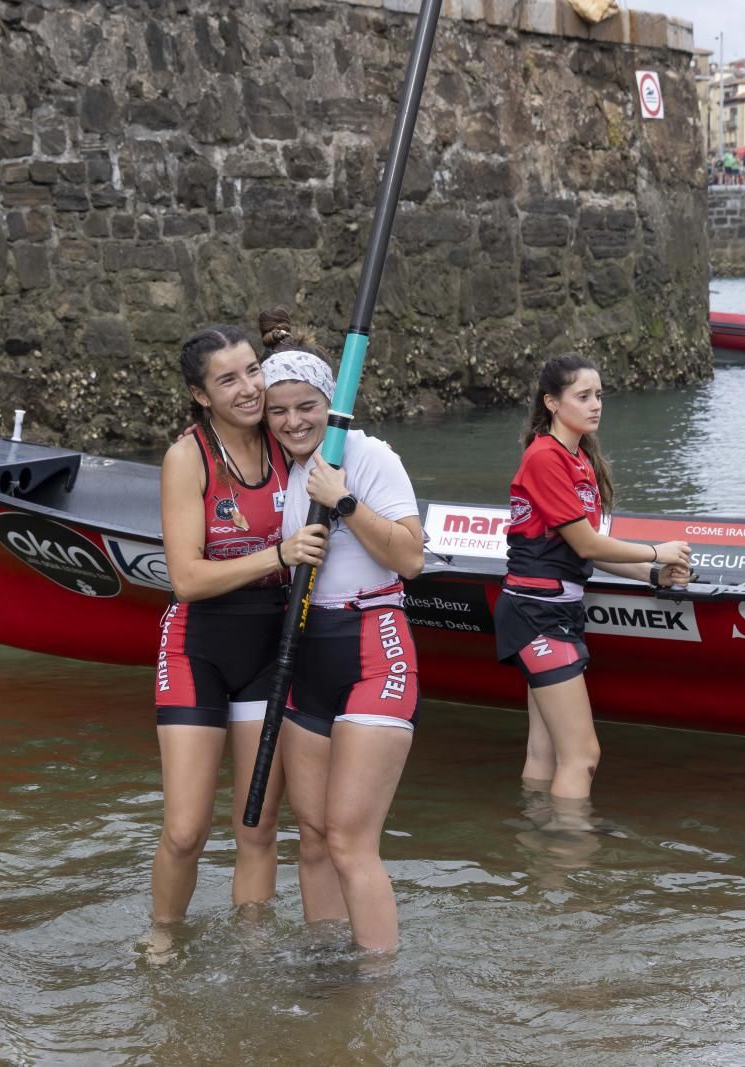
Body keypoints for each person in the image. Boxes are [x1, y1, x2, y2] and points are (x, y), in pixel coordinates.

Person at [258, 308, 425, 954]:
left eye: (307, 406)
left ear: (332, 401)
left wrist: (346, 501)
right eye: (280, 411)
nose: (295, 421)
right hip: (305, 657)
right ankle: (328, 971)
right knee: (316, 837)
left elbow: (410, 557)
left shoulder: (368, 456)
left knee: (353, 839)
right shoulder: (281, 473)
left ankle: (378, 990)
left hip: (374, 650)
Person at [151, 324, 328, 926]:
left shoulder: (288, 443)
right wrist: (279, 556)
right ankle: (163, 942)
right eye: (228, 379)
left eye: (253, 369)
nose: (250, 388)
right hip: (198, 647)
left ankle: (252, 952)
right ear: (202, 395)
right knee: (184, 831)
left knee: (257, 826)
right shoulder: (187, 456)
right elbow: (187, 580)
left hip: (269, 649)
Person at [495, 355, 691, 802]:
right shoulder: (545, 457)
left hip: (554, 610)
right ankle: (571, 853)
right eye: (583, 397)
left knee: (545, 752)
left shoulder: (578, 457)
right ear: (552, 402)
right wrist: (657, 550)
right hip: (536, 613)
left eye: (599, 395)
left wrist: (655, 573)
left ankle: (541, 853)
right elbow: (587, 545)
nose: (596, 405)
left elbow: (591, 552)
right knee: (582, 755)